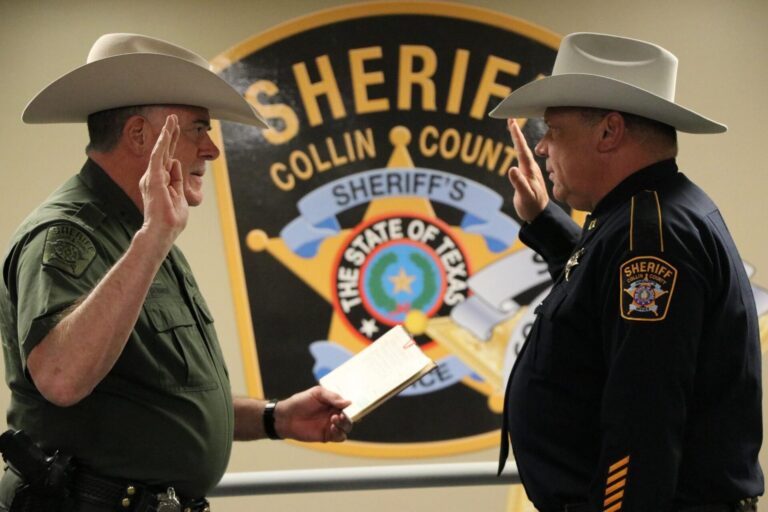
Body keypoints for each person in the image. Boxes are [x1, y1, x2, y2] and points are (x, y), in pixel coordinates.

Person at [0, 33, 352, 512]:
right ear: (140, 136)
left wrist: (275, 418)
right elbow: (61, 378)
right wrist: (153, 238)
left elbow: (165, 397)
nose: (211, 149)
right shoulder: (70, 233)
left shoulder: (142, 233)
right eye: (198, 129)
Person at [491, 32, 763, 511]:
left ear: (609, 132)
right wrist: (543, 220)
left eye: (554, 130)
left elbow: (642, 423)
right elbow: (595, 304)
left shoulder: (651, 235)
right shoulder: (642, 216)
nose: (542, 148)